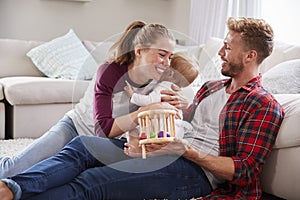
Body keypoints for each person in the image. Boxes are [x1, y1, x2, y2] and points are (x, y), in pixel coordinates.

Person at [0, 17, 284, 200]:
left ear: (250, 56)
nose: (221, 52)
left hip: (195, 174)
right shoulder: (211, 88)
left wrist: (185, 151)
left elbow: (244, 171)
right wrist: (151, 141)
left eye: (227, 47)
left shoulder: (261, 104)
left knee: (91, 182)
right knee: (83, 145)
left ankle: (13, 193)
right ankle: (12, 188)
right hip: (164, 154)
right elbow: (179, 125)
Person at [124, 52, 199, 139]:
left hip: (161, 127)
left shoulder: (164, 85)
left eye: (168, 63)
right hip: (174, 127)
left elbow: (150, 101)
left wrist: (132, 95)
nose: (164, 63)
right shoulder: (175, 88)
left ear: (170, 74)